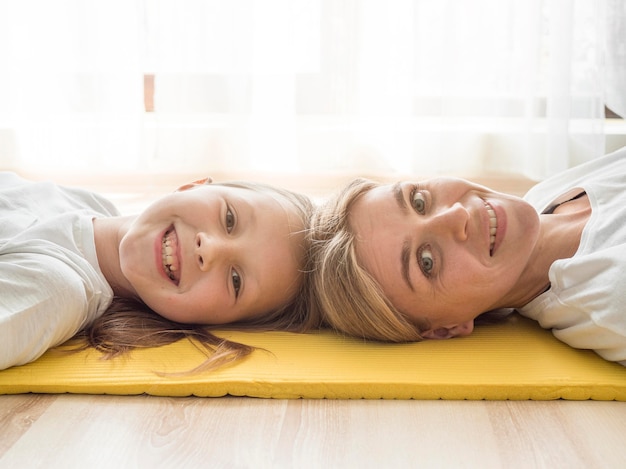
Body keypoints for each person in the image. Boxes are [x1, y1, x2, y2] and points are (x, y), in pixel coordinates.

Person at [309, 146, 626, 366]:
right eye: (426, 262)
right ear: (446, 328)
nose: (457, 214)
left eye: (418, 201)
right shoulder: (609, 296)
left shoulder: (545, 196)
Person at [0, 172, 320, 371]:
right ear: (192, 186)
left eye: (236, 281)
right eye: (230, 219)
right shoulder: (90, 203)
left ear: (214, 323)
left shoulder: (53, 292)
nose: (208, 249)